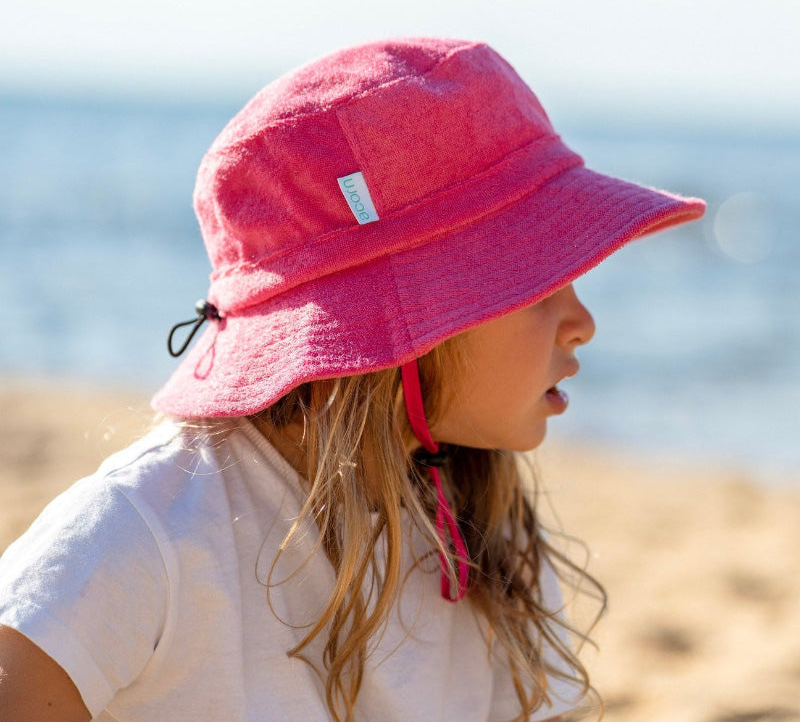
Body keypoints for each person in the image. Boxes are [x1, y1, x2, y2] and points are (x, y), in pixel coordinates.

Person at [0, 36, 706, 722]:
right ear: (404, 327)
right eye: (536, 277)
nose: (581, 321)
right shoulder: (141, 538)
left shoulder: (491, 544)